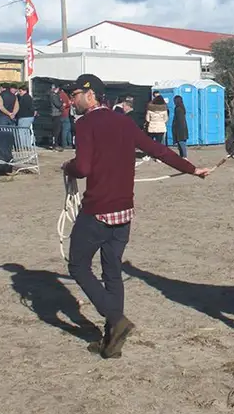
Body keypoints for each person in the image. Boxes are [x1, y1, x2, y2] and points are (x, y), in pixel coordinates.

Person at [62, 74, 211, 359]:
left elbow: (82, 167)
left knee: (78, 266)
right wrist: (193, 169)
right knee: (112, 272)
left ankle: (115, 320)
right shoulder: (124, 123)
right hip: (124, 212)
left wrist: (67, 167)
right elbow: (158, 150)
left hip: (98, 210)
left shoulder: (85, 124)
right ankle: (112, 342)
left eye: (76, 94)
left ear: (91, 95)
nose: (72, 99)